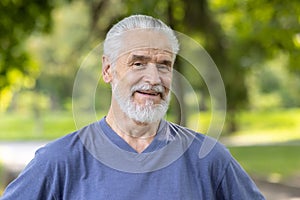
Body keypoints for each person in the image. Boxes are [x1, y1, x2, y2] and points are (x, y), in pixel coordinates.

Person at [1, 14, 265, 200]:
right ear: (108, 70)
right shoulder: (59, 161)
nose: (153, 78)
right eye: (138, 63)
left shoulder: (209, 159)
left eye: (164, 65)